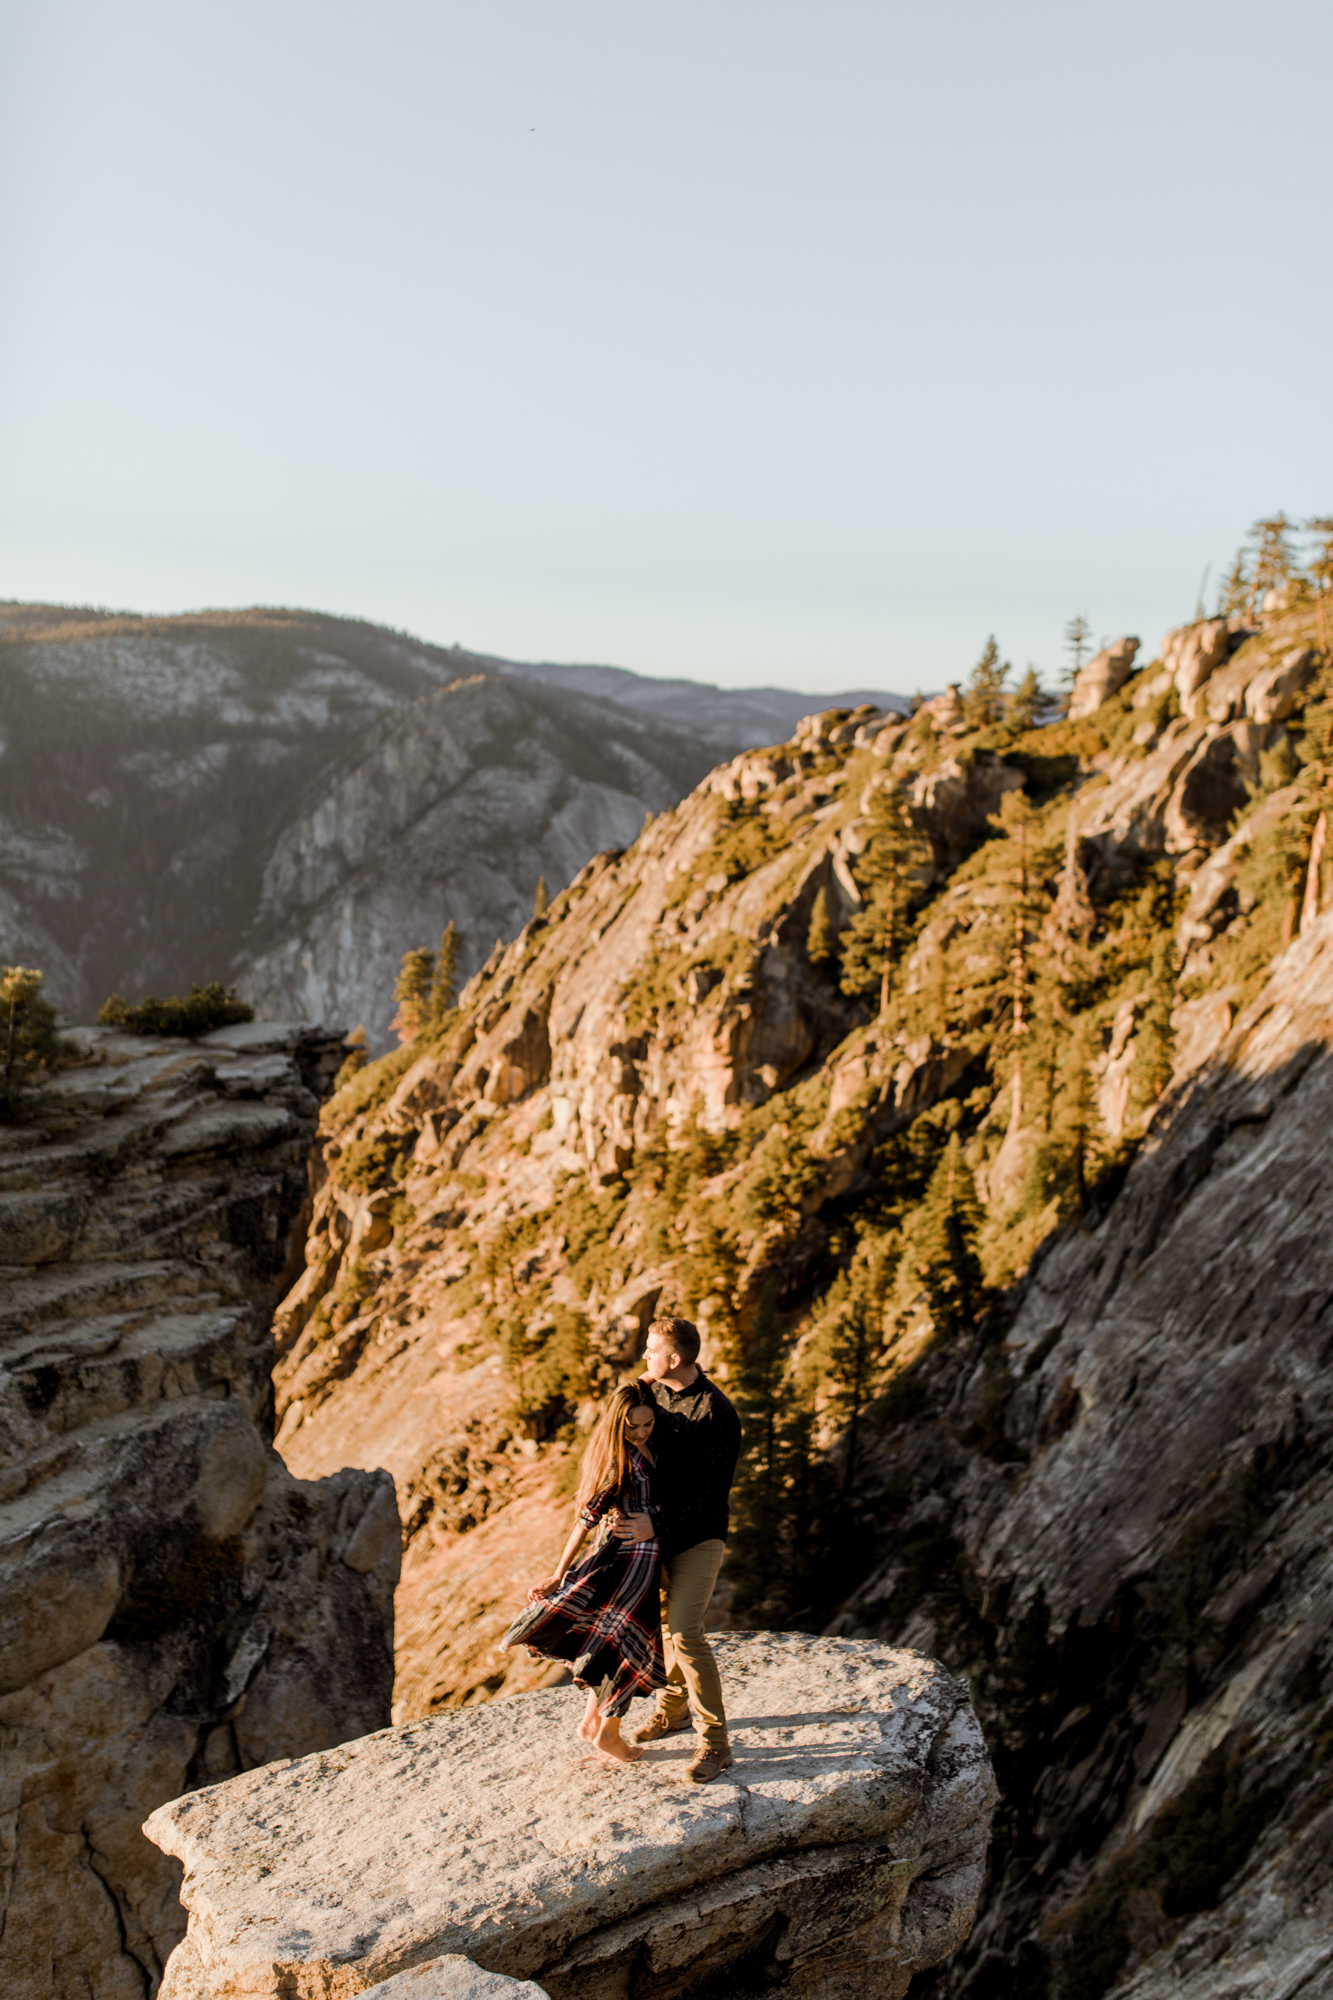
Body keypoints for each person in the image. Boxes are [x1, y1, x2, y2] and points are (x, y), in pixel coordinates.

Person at [500, 1382, 665, 1767]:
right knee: (627, 1645)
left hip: (646, 1556)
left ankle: (593, 1724)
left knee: (614, 1641)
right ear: (616, 1426)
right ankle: (609, 1734)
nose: (640, 1432)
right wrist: (559, 1573)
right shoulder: (616, 1461)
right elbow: (585, 1520)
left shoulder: (651, 1446)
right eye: (631, 1427)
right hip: (630, 1560)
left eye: (647, 1424)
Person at [613, 1315, 742, 1784]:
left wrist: (656, 1523)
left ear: (675, 1358)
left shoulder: (717, 1414)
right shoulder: (653, 1391)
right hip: (654, 1536)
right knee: (662, 1628)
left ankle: (716, 1744)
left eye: (651, 1350)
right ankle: (673, 1712)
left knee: (685, 1631)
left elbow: (712, 1496)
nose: (643, 1356)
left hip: (698, 1537)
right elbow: (624, 1413)